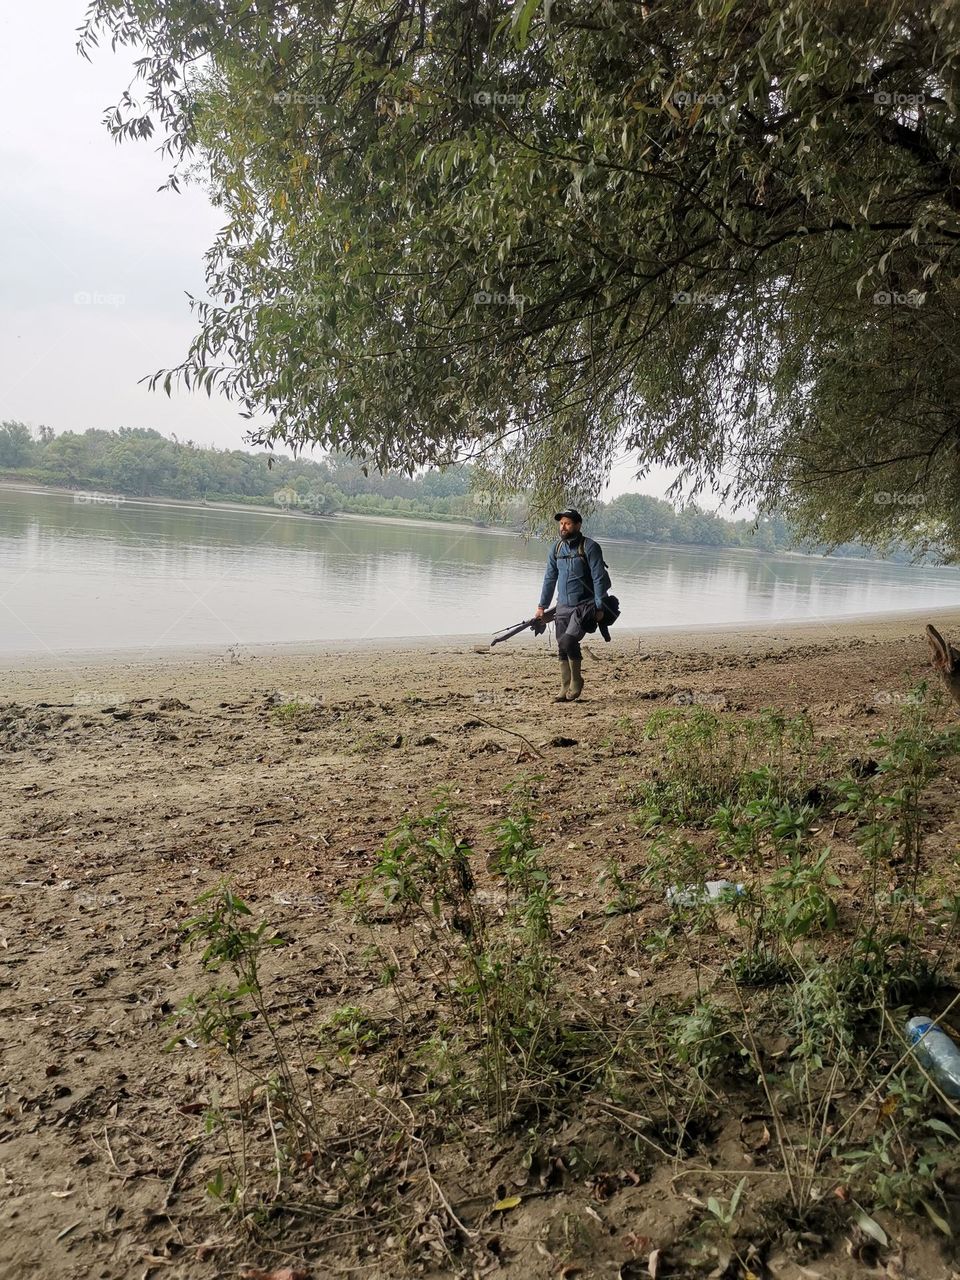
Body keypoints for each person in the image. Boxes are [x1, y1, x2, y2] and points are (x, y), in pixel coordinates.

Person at [535, 508, 607, 702]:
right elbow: (549, 579)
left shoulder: (590, 547)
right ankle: (564, 686)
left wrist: (599, 607)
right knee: (561, 645)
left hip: (585, 605)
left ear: (577, 525)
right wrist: (542, 606)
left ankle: (576, 681)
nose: (563, 527)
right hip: (563, 606)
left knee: (568, 641)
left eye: (567, 523)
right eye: (561, 523)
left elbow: (599, 578)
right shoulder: (556, 549)